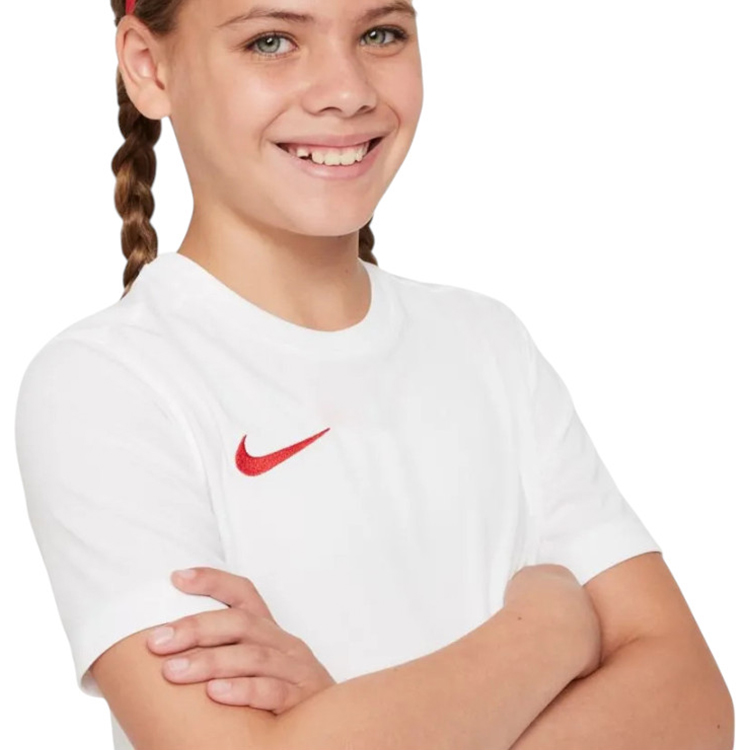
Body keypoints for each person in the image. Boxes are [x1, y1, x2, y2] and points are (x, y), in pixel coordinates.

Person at [14, 1, 663, 749]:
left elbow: (691, 700)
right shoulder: (106, 386)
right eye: (271, 41)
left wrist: (346, 722)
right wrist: (545, 631)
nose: (347, 90)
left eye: (380, 34)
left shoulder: (489, 345)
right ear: (148, 67)